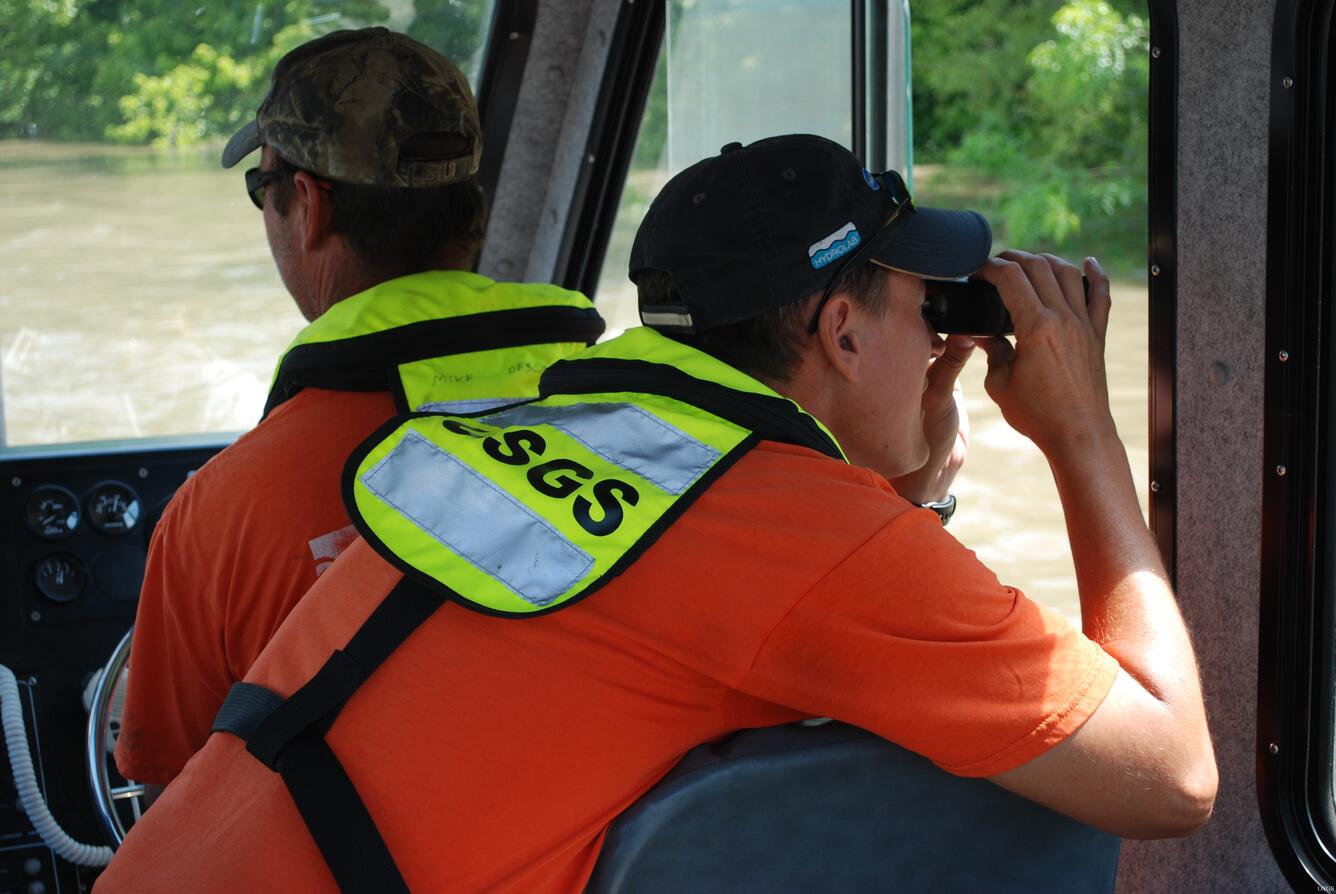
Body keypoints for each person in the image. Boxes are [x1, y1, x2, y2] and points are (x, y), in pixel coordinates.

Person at [96, 134, 1215, 893]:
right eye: (927, 306)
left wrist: (902, 483)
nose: (942, 341)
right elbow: (1169, 777)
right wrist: (1081, 434)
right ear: (839, 331)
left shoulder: (558, 426)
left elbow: (715, 602)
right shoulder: (807, 535)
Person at [112, 27, 604, 797]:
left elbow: (173, 786)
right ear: (468, 209)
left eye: (262, 191)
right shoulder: (633, 416)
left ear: (305, 207)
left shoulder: (222, 511)